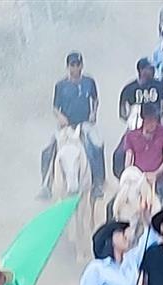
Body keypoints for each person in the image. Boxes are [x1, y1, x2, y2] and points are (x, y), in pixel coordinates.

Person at [39, 52, 104, 200]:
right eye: (72, 65)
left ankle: (98, 183)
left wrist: (93, 113)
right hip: (66, 126)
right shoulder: (61, 85)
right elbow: (55, 107)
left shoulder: (89, 82)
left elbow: (95, 99)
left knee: (96, 146)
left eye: (78, 65)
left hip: (84, 124)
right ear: (68, 67)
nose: (75, 68)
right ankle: (46, 185)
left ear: (82, 65)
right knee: (48, 148)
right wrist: (60, 116)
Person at [118, 102, 163, 205]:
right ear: (143, 120)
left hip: (159, 181)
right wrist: (132, 176)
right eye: (150, 120)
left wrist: (155, 174)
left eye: (154, 119)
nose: (153, 123)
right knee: (113, 206)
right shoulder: (131, 136)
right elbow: (128, 161)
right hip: (138, 179)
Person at [120, 57, 163, 130]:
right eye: (149, 69)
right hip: (135, 129)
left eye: (153, 69)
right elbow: (122, 110)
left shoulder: (159, 86)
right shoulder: (129, 89)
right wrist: (128, 119)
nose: (153, 71)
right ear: (141, 70)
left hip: (156, 127)